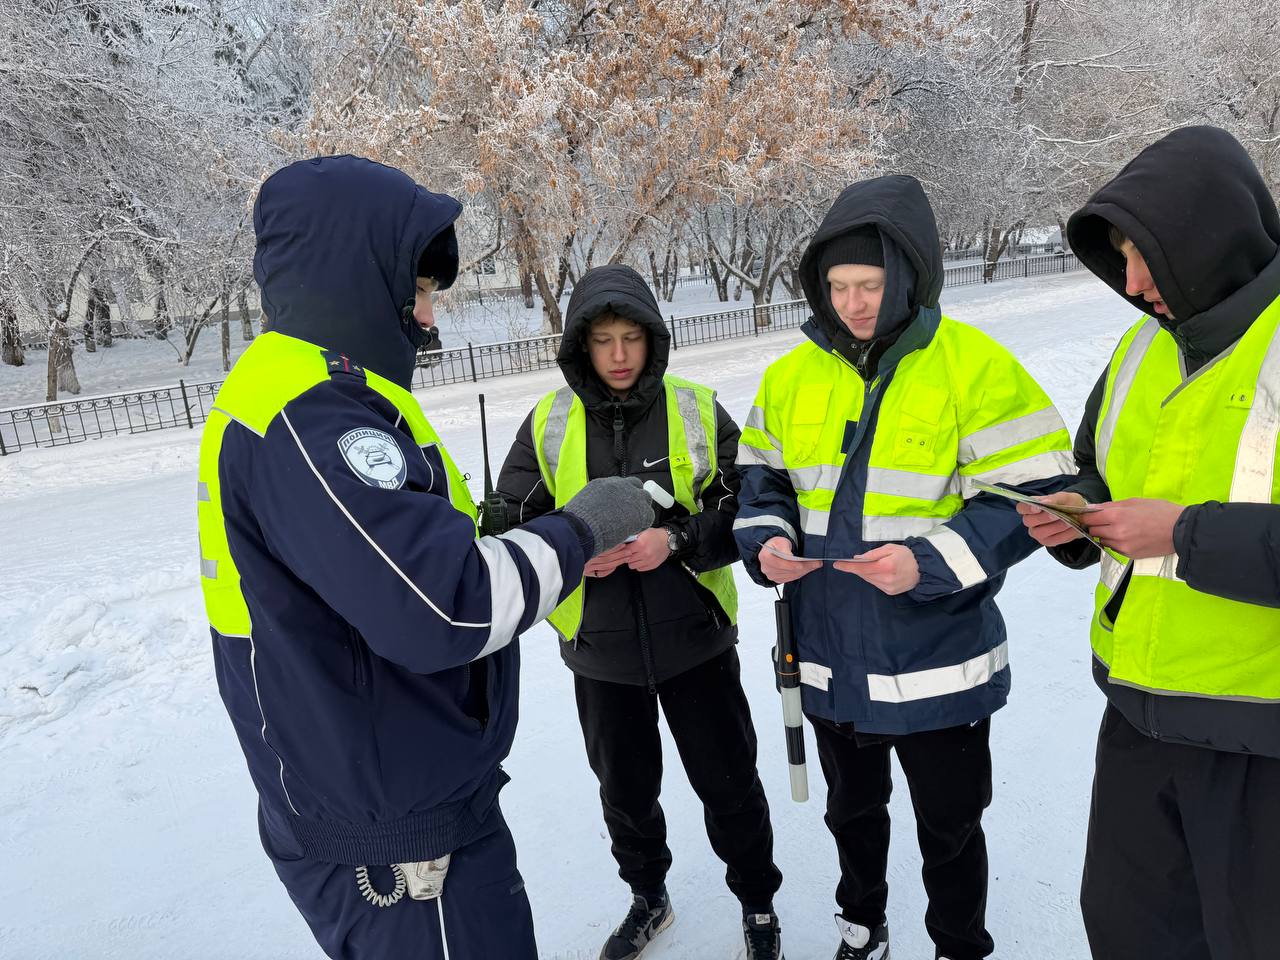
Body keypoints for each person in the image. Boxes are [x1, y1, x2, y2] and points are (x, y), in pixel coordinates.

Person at [195, 156, 655, 960]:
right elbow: (451, 603)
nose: (429, 318)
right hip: (397, 843)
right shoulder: (312, 415)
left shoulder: (316, 390)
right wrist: (584, 529)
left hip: (398, 791)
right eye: (418, 291)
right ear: (353, 274)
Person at [733, 175, 1075, 960]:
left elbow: (1030, 498)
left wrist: (927, 562)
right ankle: (864, 923)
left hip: (938, 664)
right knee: (852, 814)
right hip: (827, 658)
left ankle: (959, 943)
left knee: (950, 826)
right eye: (839, 285)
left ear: (911, 276)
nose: (854, 303)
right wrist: (767, 540)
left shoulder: (975, 368)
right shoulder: (790, 377)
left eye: (872, 284)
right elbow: (761, 479)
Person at [1018, 125, 1280, 959]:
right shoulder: (1140, 348)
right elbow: (1102, 473)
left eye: (1148, 256)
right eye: (1122, 257)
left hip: (1260, 739)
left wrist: (1186, 535)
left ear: (1211, 238)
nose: (1131, 284)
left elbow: (1175, 526)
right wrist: (1075, 517)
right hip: (1137, 712)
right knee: (1129, 933)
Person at [496, 263, 785, 960]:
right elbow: (507, 518)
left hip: (697, 644)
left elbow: (742, 507)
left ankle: (758, 905)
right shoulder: (549, 422)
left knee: (730, 784)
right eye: (603, 340)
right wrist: (565, 550)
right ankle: (648, 898)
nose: (619, 354)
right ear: (581, 347)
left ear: (653, 339)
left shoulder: (694, 408)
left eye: (631, 337)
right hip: (601, 655)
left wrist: (677, 539)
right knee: (625, 794)